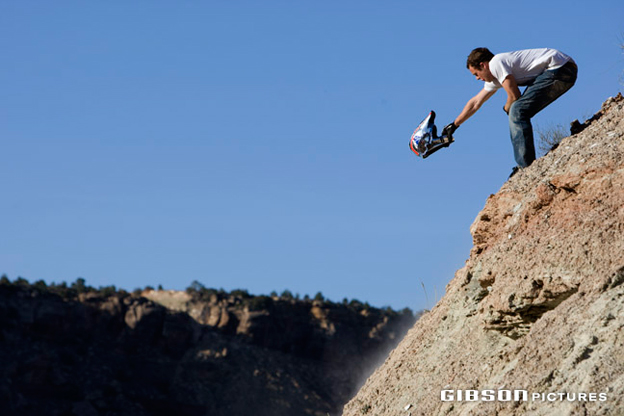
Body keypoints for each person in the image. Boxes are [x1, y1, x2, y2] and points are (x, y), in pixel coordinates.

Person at [441, 47, 577, 176]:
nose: (477, 78)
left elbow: (514, 95)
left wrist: (507, 107)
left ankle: (525, 167)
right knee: (517, 110)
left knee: (517, 110)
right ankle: (525, 164)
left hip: (560, 69)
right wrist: (454, 125)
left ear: (483, 65)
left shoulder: (496, 63)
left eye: (476, 74)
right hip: (563, 70)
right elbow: (475, 103)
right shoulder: (494, 77)